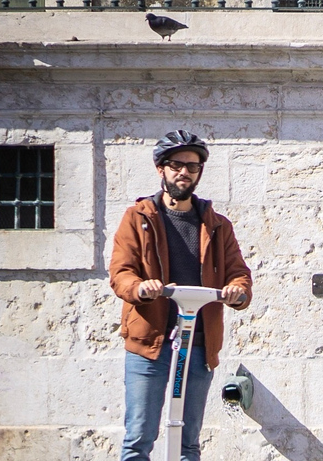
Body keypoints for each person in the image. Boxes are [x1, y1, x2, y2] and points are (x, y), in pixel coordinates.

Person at [109, 130, 253, 461]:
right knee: (139, 438)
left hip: (198, 345)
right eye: (176, 165)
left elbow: (238, 273)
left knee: (188, 441)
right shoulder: (139, 218)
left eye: (192, 166)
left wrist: (237, 292)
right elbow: (121, 273)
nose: (184, 172)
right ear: (161, 169)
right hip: (150, 344)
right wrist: (140, 288)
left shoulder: (217, 225)